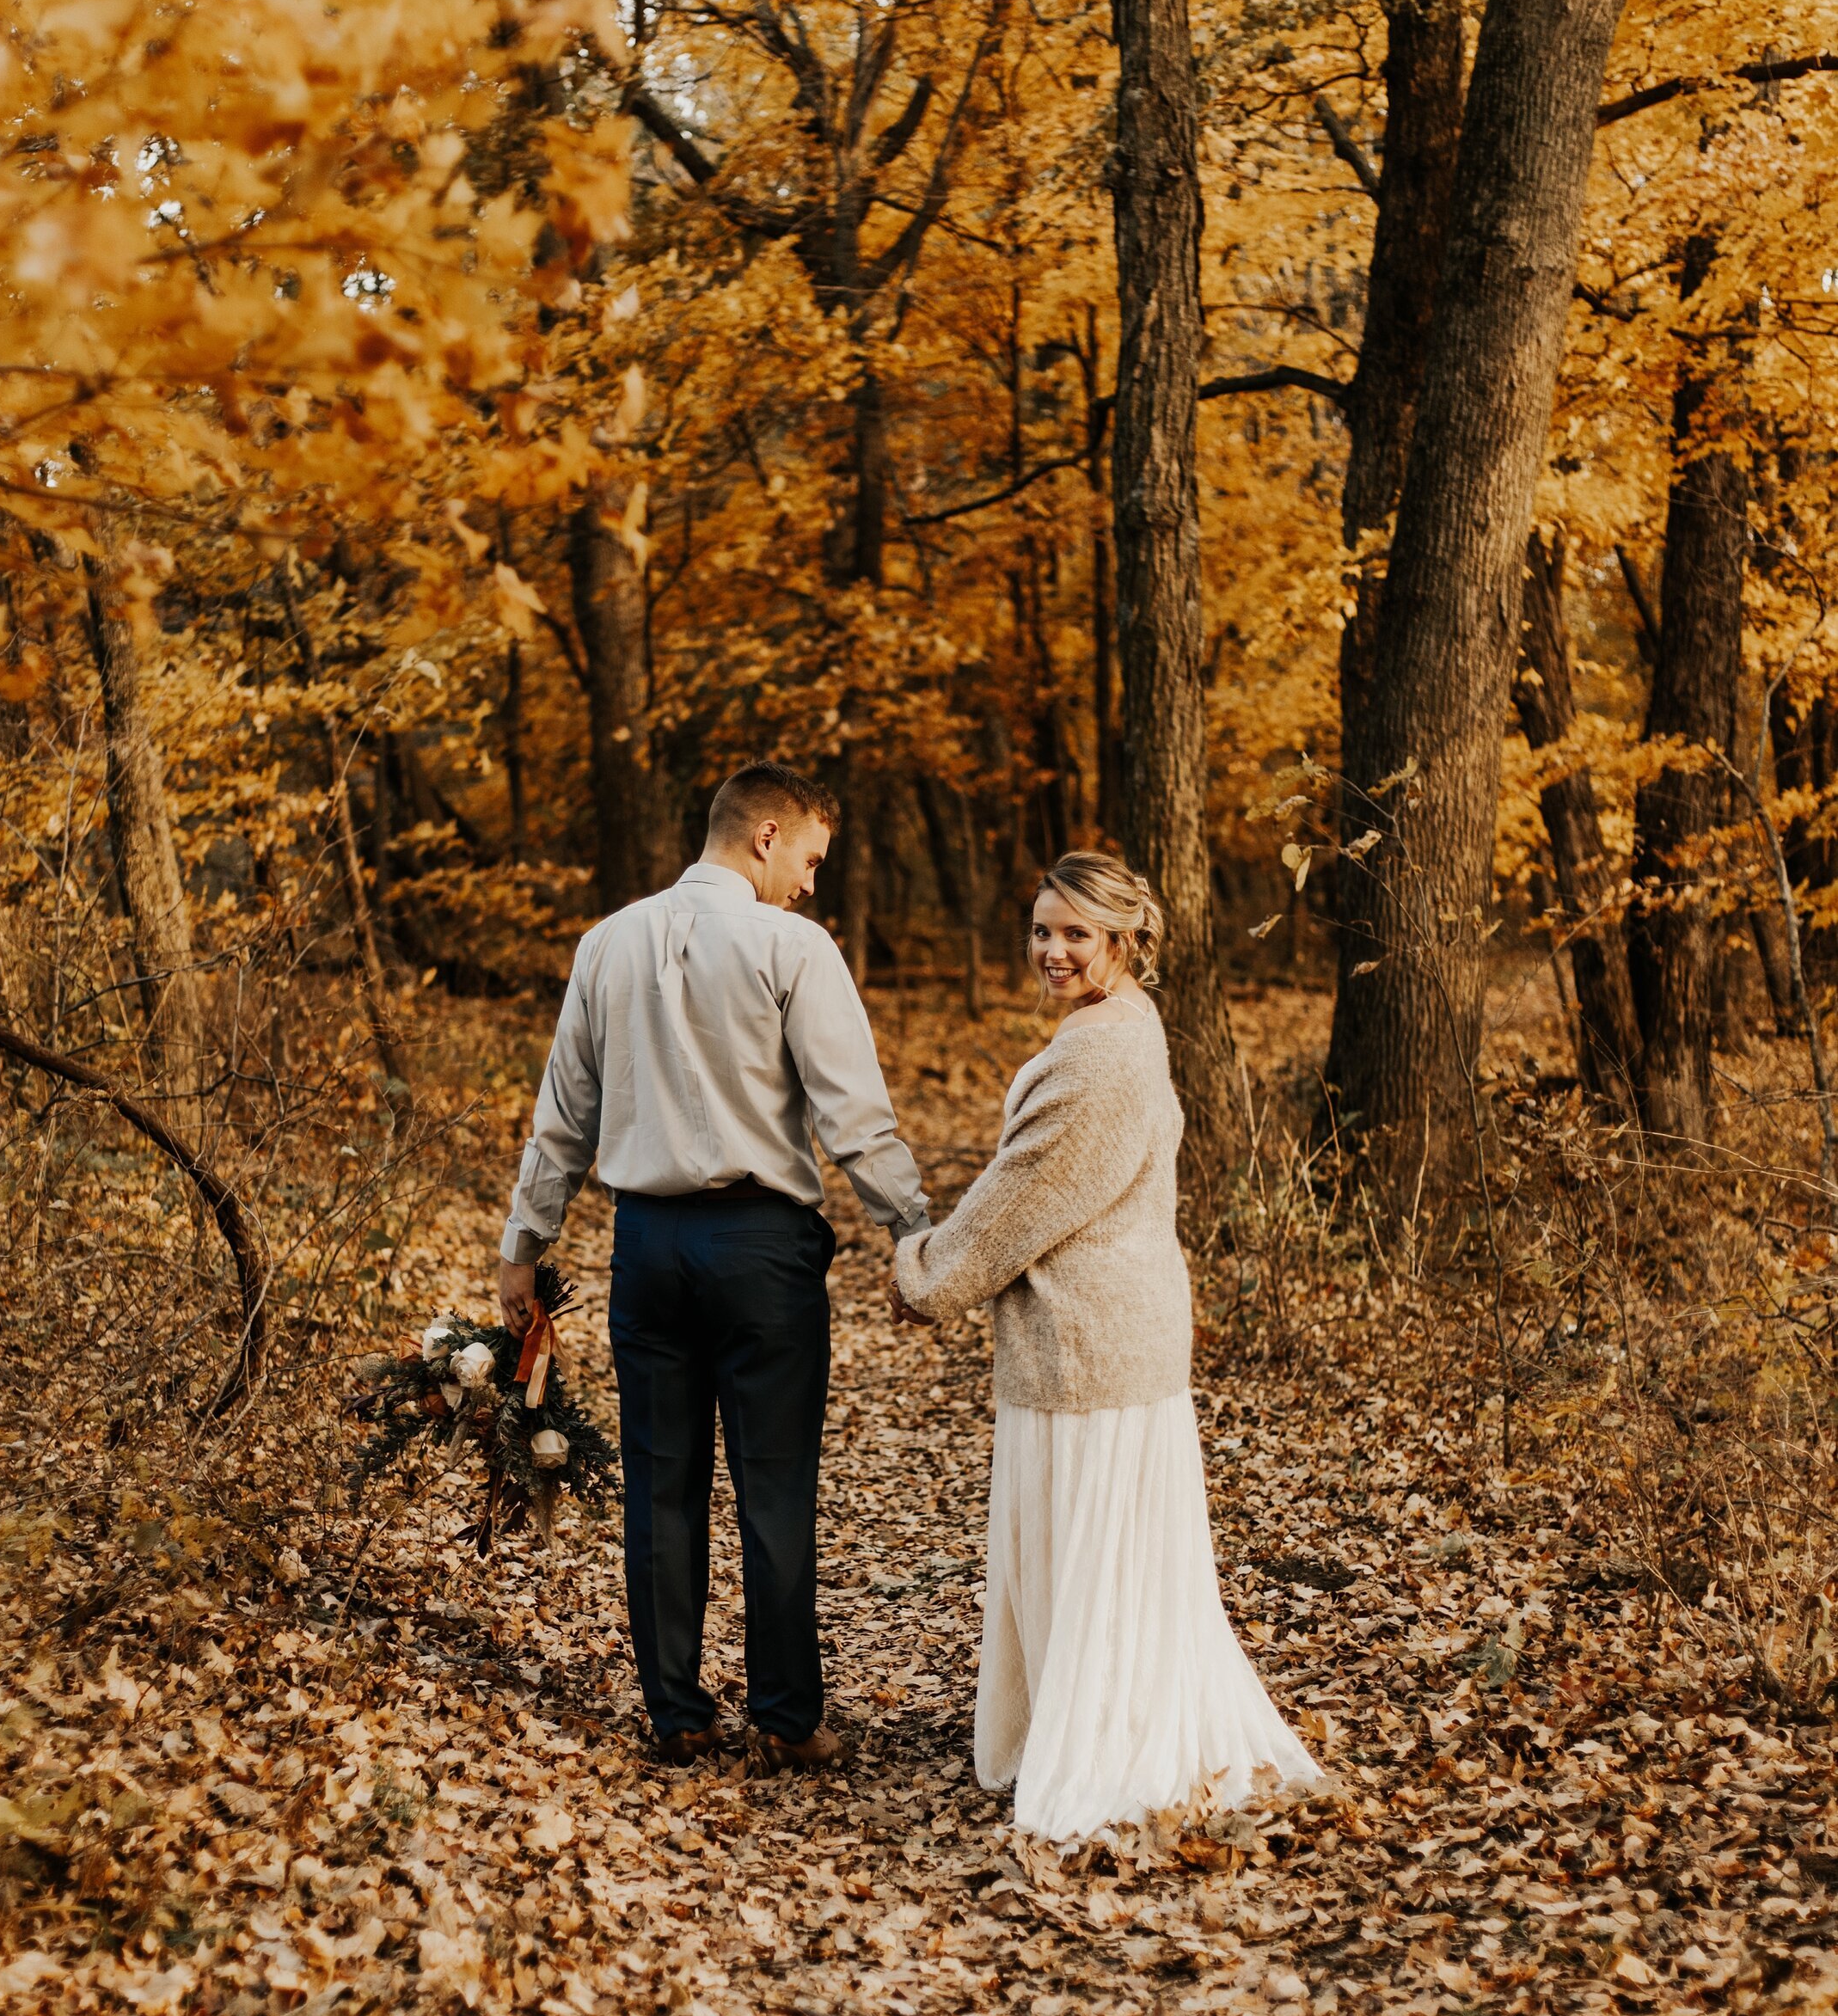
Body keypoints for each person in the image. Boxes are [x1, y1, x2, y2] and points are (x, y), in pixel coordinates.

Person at [501, 761, 927, 1768]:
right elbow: (853, 1119)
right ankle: (784, 1720)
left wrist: (524, 1243)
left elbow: (563, 1120)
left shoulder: (606, 943)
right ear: (767, 834)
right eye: (811, 859)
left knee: (662, 1480)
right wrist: (914, 1233)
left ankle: (677, 1713)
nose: (812, 884)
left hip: (646, 1245)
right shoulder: (794, 948)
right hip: (759, 1249)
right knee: (773, 1485)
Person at [894, 849, 1320, 1847]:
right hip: (1112, 1336)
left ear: (1125, 942)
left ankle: (1110, 1741)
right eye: (1042, 929)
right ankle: (1082, 1715)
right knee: (1095, 1552)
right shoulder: (1122, 1024)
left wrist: (924, 1274)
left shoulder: (1100, 1053)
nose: (1051, 949)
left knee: (1090, 1550)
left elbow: (1019, 1200)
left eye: (1075, 934)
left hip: (1091, 1345)